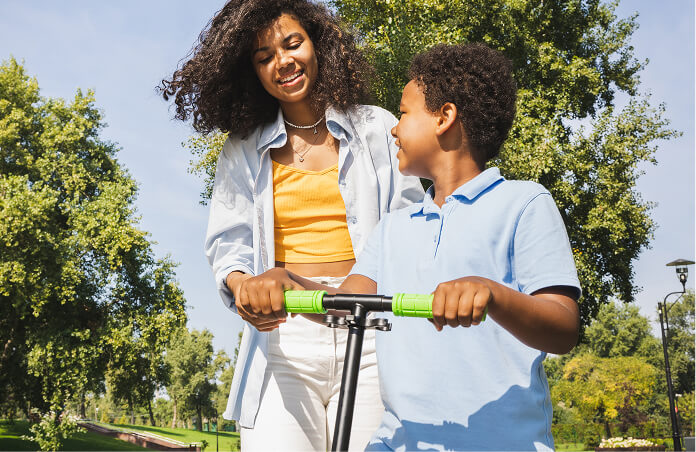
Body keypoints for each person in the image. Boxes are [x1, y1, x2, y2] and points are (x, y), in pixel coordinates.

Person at [237, 43, 582, 451]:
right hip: (398, 443)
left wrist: (493, 295)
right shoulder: (393, 228)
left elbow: (563, 327)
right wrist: (290, 285)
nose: (393, 129)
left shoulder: (524, 204)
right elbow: (347, 307)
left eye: (403, 113)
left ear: (445, 118)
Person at [160, 0, 424, 450]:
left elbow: (412, 226)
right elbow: (229, 246)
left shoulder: (378, 127)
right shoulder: (242, 149)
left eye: (292, 44)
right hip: (284, 340)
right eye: (264, 57)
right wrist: (246, 286)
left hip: (374, 335)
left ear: (317, 43)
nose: (282, 62)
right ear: (252, 73)